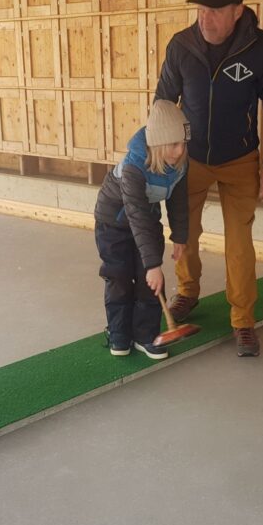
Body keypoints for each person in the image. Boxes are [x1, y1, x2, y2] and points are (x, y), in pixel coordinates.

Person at [155, 0, 263, 357]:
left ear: (237, 11)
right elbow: (162, 104)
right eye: (201, 9)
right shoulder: (181, 46)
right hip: (191, 158)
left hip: (240, 159)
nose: (205, 18)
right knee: (184, 232)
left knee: (239, 242)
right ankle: (188, 291)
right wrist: (160, 156)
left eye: (215, 11)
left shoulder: (260, 48)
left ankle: (243, 320)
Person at [94, 100, 191, 361]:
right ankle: (118, 333)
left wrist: (180, 236)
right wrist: (152, 264)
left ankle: (146, 336)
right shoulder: (133, 167)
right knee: (119, 276)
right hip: (113, 223)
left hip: (145, 220)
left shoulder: (180, 162)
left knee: (150, 283)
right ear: (157, 144)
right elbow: (135, 213)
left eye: (183, 143)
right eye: (173, 144)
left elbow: (179, 200)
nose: (180, 150)